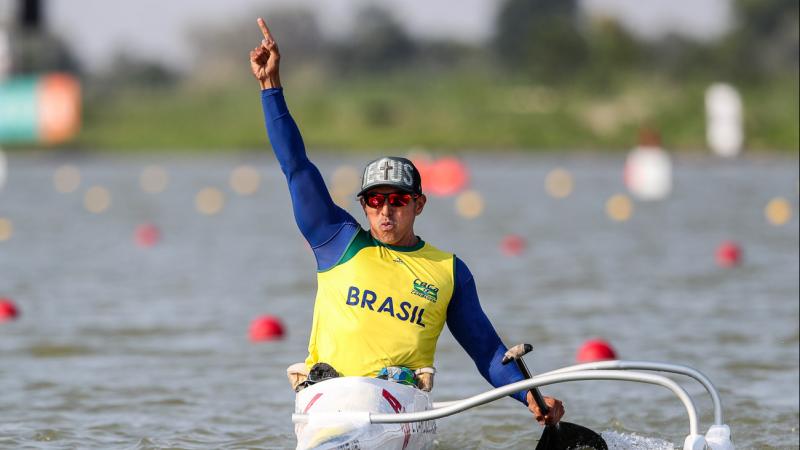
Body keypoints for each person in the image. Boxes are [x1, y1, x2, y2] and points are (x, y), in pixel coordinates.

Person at [250, 17, 564, 427]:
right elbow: (296, 167)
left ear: (419, 204)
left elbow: (486, 351)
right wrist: (270, 88)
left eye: (397, 200)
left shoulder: (448, 271)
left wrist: (530, 397)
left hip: (399, 410)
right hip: (326, 399)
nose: (385, 210)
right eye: (375, 200)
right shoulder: (335, 241)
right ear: (363, 206)